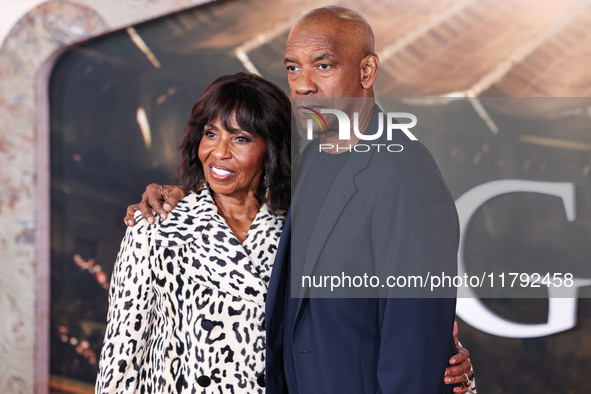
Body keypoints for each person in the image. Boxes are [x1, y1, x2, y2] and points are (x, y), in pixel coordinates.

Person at [125, 6, 476, 394]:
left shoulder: (403, 177)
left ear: (366, 71)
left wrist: (448, 366)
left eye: (322, 66)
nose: (303, 85)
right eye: (293, 68)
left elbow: (414, 347)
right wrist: (183, 195)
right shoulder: (312, 156)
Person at [96, 72, 291, 393]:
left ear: (270, 149)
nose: (219, 152)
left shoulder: (291, 232)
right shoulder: (155, 224)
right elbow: (122, 351)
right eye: (211, 134)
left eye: (240, 138)